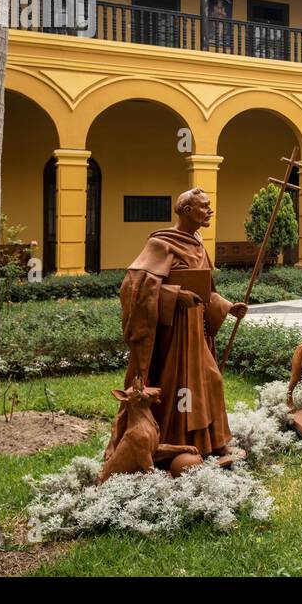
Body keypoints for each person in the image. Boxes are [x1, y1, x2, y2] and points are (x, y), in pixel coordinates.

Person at [107, 188, 247, 464]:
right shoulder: (162, 244)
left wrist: (227, 306)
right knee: (179, 388)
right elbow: (134, 288)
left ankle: (214, 443)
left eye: (209, 206)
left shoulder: (197, 243)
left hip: (196, 331)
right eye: (204, 206)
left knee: (211, 381)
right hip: (172, 336)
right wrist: (174, 297)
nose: (210, 211)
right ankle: (175, 445)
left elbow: (204, 290)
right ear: (186, 210)